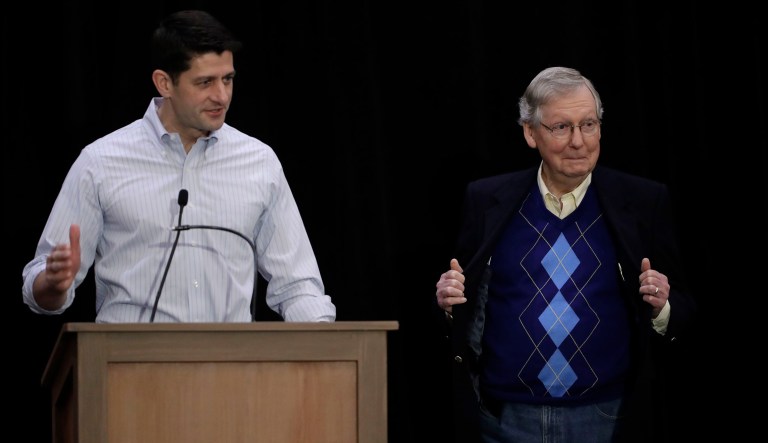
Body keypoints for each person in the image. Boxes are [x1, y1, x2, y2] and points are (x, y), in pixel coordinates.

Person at [22, 10, 336, 323]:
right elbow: (41, 284)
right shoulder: (100, 162)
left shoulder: (260, 161)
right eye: (205, 82)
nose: (221, 96)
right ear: (164, 83)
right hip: (129, 366)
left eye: (227, 79)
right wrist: (52, 284)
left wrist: (330, 346)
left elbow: (298, 287)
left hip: (231, 368)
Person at [434, 66, 696, 442]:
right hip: (505, 419)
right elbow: (462, 302)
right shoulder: (485, 201)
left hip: (607, 417)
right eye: (561, 127)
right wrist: (447, 302)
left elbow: (684, 307)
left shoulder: (642, 202)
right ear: (530, 132)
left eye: (588, 124)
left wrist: (662, 308)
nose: (579, 141)